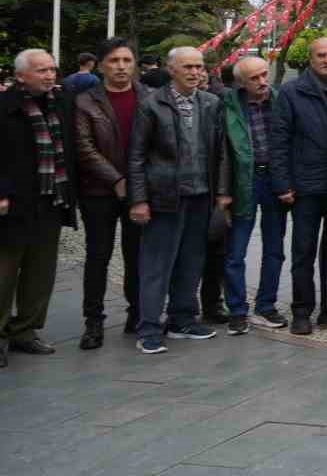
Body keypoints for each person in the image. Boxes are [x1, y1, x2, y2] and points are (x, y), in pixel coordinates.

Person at [127, 47, 231, 354]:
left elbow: (221, 152)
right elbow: (135, 156)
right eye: (187, 66)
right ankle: (148, 327)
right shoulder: (151, 104)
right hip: (163, 198)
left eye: (199, 67)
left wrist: (222, 194)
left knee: (192, 261)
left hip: (201, 195)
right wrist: (138, 200)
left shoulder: (212, 103)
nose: (195, 72)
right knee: (157, 264)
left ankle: (182, 319)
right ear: (171, 70)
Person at [270, 36, 327, 335]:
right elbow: (279, 140)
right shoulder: (291, 91)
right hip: (305, 185)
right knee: (303, 252)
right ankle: (301, 311)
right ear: (310, 58)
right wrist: (283, 183)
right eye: (321, 55)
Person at [0, 50, 80, 366]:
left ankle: (25, 331)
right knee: (5, 273)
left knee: (40, 271)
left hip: (51, 200)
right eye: (41, 71)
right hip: (13, 205)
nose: (50, 76)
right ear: (21, 76)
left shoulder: (61, 102)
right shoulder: (4, 107)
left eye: (52, 69)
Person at [73, 37, 147, 347]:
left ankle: (137, 313)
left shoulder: (150, 97)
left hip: (140, 190)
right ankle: (93, 322)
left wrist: (139, 186)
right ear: (101, 64)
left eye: (126, 60)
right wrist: (117, 180)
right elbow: (84, 147)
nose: (120, 67)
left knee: (137, 256)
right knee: (98, 255)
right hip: (98, 191)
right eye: (114, 61)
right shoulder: (85, 101)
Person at [218, 55, 287, 335]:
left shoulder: (281, 100)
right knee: (236, 251)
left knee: (275, 249)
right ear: (241, 83)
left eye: (263, 74)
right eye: (254, 78)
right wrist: (223, 192)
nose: (262, 82)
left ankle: (266, 306)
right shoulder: (226, 106)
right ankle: (236, 310)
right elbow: (220, 152)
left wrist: (288, 182)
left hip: (275, 180)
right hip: (242, 182)